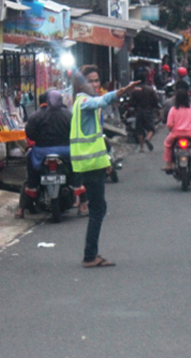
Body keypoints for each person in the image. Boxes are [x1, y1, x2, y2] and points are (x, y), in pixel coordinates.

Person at [71, 66, 140, 268]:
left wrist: (107, 162)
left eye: (97, 80)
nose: (95, 84)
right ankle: (89, 255)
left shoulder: (81, 103)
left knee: (98, 209)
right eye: (90, 81)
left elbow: (98, 137)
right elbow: (101, 100)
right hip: (90, 164)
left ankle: (91, 253)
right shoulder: (84, 102)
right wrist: (122, 91)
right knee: (97, 209)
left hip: (93, 163)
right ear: (81, 84)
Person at [16, 90, 89, 219]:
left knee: (30, 165)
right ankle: (83, 204)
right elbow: (76, 132)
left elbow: (30, 134)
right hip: (66, 151)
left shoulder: (36, 116)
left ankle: (30, 191)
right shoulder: (68, 115)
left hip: (41, 152)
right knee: (77, 169)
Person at [161, 88, 191, 172]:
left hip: (175, 133)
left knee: (167, 144)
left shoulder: (173, 109)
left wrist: (172, 129)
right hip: (190, 133)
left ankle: (169, 164)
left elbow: (169, 124)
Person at [129, 71, 159, 152]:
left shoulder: (135, 91)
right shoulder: (150, 89)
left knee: (139, 130)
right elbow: (155, 100)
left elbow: (131, 102)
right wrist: (154, 107)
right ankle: (148, 138)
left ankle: (141, 148)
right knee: (151, 128)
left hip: (138, 111)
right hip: (148, 111)